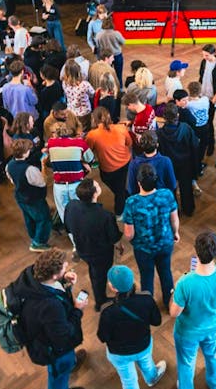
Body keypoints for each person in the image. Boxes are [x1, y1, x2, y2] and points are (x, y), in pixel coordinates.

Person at [12, 248, 88, 389]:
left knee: (66, 361)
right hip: (52, 348)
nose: (67, 265)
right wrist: (77, 310)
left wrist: (63, 280)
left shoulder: (31, 277)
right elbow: (63, 336)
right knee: (58, 371)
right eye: (63, 267)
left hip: (47, 332)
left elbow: (52, 290)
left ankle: (72, 363)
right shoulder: (49, 306)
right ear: (53, 275)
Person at [170, 231, 216, 389]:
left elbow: (174, 312)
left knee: (186, 362)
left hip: (187, 332)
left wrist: (174, 292)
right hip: (213, 327)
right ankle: (215, 388)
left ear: (196, 252)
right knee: (213, 357)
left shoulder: (185, 282)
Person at [98, 266, 167, 389]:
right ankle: (152, 378)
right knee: (147, 363)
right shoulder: (146, 298)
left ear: (113, 287)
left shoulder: (107, 310)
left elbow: (102, 337)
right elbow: (157, 321)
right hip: (143, 345)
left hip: (119, 353)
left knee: (128, 379)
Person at [123, 164, 180, 308]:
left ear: (139, 182)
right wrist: (175, 233)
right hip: (165, 243)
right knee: (166, 272)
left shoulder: (132, 202)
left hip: (143, 249)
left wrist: (133, 241)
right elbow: (174, 219)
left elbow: (129, 234)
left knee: (146, 278)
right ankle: (169, 302)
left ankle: (148, 308)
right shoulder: (167, 195)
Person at [65, 179, 123, 311]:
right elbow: (114, 236)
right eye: (97, 185)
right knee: (99, 276)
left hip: (82, 248)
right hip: (100, 254)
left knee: (95, 272)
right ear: (95, 194)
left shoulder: (71, 206)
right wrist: (119, 245)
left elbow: (68, 227)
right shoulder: (105, 216)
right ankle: (100, 301)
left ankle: (99, 295)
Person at [6, 138, 51, 251]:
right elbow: (42, 182)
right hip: (34, 198)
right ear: (25, 152)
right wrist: (43, 165)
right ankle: (38, 242)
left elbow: (11, 179)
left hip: (20, 196)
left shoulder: (9, 165)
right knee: (44, 218)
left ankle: (33, 236)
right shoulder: (30, 169)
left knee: (29, 217)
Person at [86, 106, 133, 216]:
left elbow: (87, 151)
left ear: (94, 119)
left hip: (108, 168)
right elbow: (129, 143)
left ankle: (119, 211)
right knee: (120, 186)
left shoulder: (92, 135)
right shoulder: (121, 128)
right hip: (125, 162)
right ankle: (126, 198)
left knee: (118, 189)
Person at [46, 124, 95, 224]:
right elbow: (91, 158)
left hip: (59, 185)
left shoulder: (51, 143)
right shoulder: (80, 143)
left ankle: (70, 231)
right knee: (81, 210)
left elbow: (50, 160)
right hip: (77, 184)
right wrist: (82, 162)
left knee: (63, 212)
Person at [157, 104, 199, 217]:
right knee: (186, 187)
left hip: (169, 165)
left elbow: (159, 152)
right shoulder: (186, 128)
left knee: (171, 188)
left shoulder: (159, 134)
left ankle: (174, 211)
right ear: (178, 115)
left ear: (164, 117)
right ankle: (189, 209)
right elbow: (194, 146)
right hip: (186, 163)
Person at [127, 132, 177, 196]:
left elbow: (131, 189)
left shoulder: (134, 164)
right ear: (157, 145)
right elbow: (172, 185)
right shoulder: (166, 161)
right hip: (162, 199)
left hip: (142, 201)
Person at [198, 45, 216, 154]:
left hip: (213, 98)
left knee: (211, 120)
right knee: (207, 121)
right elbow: (201, 76)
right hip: (203, 96)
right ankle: (209, 142)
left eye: (206, 55)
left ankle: (212, 145)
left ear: (213, 54)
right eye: (203, 55)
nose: (204, 57)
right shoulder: (203, 62)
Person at [62, 60, 95, 131]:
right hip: (84, 113)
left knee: (75, 130)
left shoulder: (64, 83)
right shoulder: (84, 85)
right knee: (85, 130)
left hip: (71, 112)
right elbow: (93, 93)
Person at [186, 82, 211, 172]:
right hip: (205, 126)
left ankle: (193, 163)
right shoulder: (205, 100)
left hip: (195, 128)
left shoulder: (189, 104)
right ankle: (199, 163)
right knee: (203, 146)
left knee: (194, 146)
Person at [96, 17, 126, 84]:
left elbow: (97, 45)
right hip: (117, 55)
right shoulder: (116, 34)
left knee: (106, 74)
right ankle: (120, 88)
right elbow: (123, 42)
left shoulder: (99, 35)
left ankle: (108, 87)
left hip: (105, 57)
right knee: (119, 75)